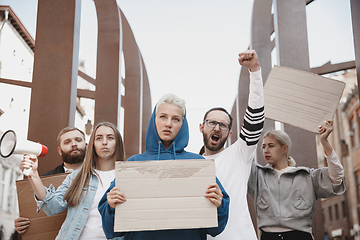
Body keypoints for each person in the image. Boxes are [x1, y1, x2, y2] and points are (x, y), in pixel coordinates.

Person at [98, 94, 230, 240]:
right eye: (163, 117)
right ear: (154, 120)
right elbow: (111, 231)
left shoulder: (198, 164)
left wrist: (219, 204)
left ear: (183, 124)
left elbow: (215, 229)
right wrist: (111, 205)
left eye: (176, 119)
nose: (168, 123)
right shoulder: (133, 164)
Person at [20, 122, 125, 240]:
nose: (104, 142)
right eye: (99, 138)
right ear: (92, 145)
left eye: (110, 138)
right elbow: (52, 207)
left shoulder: (127, 178)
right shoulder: (77, 176)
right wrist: (33, 174)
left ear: (118, 143)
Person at [199, 50, 264, 240]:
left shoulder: (240, 155)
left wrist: (255, 70)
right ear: (201, 127)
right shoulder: (191, 163)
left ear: (230, 133)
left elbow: (255, 118)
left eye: (223, 125)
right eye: (212, 123)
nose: (217, 128)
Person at [248, 120, 345, 240]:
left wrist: (324, 141)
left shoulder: (307, 176)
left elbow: (336, 177)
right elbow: (239, 158)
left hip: (299, 236)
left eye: (271, 146)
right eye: (263, 147)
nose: (266, 150)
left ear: (284, 149)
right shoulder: (257, 175)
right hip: (269, 237)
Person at [14, 126, 86, 235]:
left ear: (86, 146)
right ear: (59, 151)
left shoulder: (100, 176)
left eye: (78, 140)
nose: (74, 144)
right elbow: (35, 213)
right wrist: (21, 224)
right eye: (67, 142)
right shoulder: (41, 182)